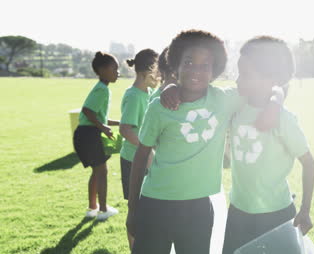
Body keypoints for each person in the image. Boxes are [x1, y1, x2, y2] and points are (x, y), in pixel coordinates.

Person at [126, 29, 283, 254]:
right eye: (188, 62)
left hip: (198, 209)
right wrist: (133, 208)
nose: (196, 70)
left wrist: (276, 102)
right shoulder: (160, 107)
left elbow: (272, 86)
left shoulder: (225, 100)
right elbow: (141, 156)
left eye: (205, 65)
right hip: (155, 205)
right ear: (176, 65)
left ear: (214, 70)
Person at [222, 36, 314, 254]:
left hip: (277, 214)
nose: (237, 80)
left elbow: (309, 163)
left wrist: (305, 210)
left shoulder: (284, 119)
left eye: (245, 74)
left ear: (270, 79)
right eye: (238, 72)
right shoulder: (235, 106)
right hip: (238, 212)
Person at [73, 51, 120, 220]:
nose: (118, 72)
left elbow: (99, 116)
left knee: (97, 171)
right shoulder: (102, 90)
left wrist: (119, 123)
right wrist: (103, 128)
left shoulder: (101, 88)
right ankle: (103, 210)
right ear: (102, 70)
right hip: (90, 134)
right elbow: (87, 111)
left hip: (85, 133)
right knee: (102, 171)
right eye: (114, 69)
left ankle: (92, 208)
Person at [120, 48, 159, 248]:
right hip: (132, 160)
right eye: (158, 70)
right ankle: (134, 248)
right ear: (147, 72)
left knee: (149, 207)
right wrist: (147, 145)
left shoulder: (150, 93)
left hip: (147, 159)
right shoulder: (135, 95)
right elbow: (125, 130)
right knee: (135, 208)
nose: (161, 75)